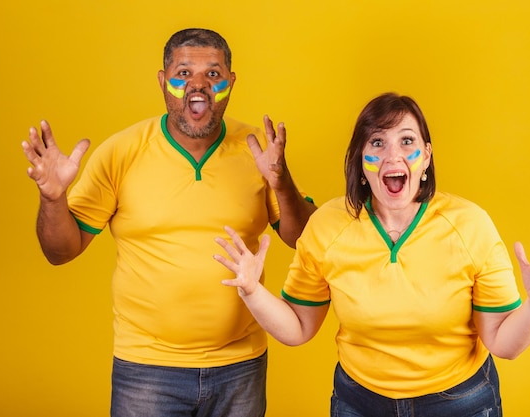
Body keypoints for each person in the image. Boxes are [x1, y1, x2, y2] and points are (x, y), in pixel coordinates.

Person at [214, 92, 530, 417]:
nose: (393, 155)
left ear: (426, 158)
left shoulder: (469, 226)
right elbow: (297, 328)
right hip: (359, 402)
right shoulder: (328, 226)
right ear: (360, 160)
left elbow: (503, 344)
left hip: (459, 403)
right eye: (378, 143)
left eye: (407, 141)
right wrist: (251, 290)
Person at [21, 28, 316, 417]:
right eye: (183, 73)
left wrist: (281, 181)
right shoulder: (121, 152)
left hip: (240, 367)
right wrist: (52, 197)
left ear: (230, 81)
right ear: (163, 81)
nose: (198, 85)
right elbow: (60, 252)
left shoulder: (256, 150)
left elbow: (303, 238)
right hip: (146, 369)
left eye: (213, 74)